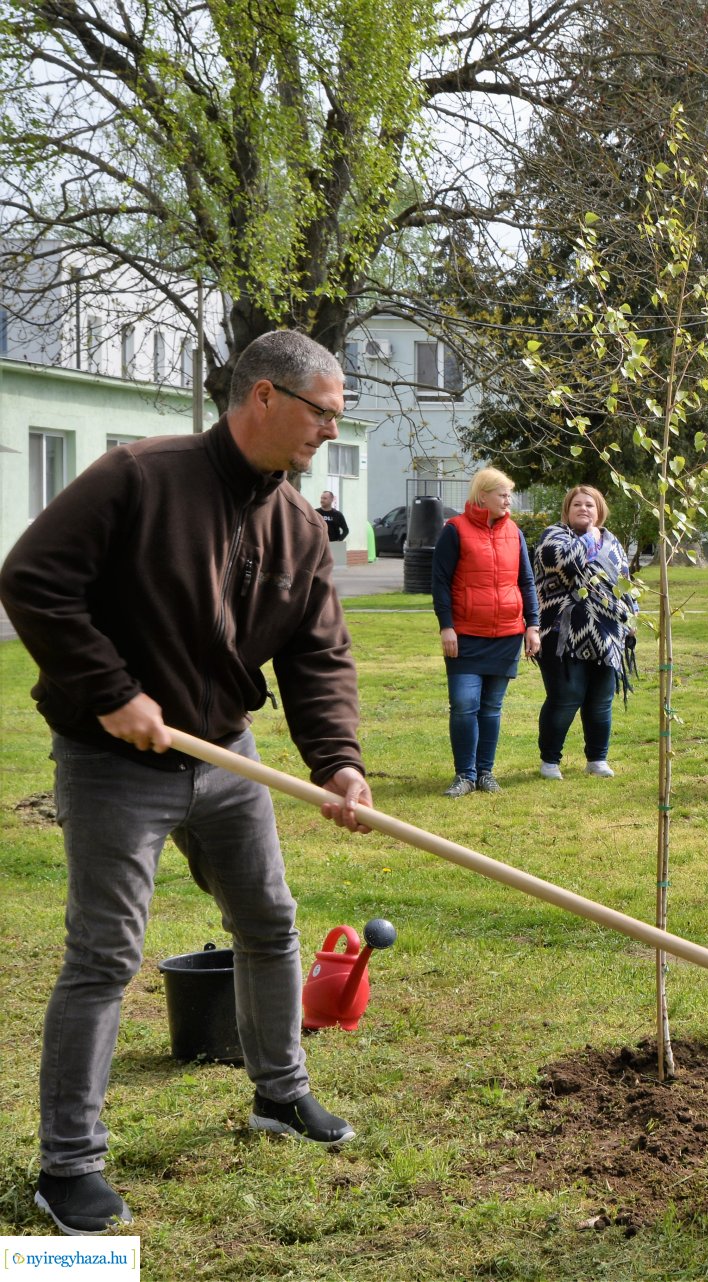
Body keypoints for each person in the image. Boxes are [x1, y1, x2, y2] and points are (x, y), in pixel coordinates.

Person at [0, 330, 374, 1236]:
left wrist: (340, 762)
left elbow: (318, 654)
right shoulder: (139, 476)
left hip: (227, 757)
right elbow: (33, 580)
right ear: (264, 398)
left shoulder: (295, 524)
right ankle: (68, 1165)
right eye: (322, 411)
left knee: (271, 923)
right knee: (104, 954)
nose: (330, 429)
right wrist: (111, 692)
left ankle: (280, 1095)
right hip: (113, 763)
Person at [433, 468, 540, 797]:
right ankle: (464, 774)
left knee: (492, 708)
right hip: (465, 634)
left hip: (507, 634)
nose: (508, 500)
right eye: (502, 494)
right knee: (464, 705)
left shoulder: (515, 533)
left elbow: (526, 581)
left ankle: (485, 773)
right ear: (482, 496)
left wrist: (532, 626)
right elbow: (440, 583)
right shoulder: (454, 531)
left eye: (509, 494)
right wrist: (447, 626)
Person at [533, 485, 636, 781]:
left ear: (599, 510)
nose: (584, 509)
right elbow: (563, 562)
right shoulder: (553, 537)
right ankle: (550, 761)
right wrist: (588, 539)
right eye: (577, 504)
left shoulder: (613, 542)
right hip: (562, 633)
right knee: (566, 695)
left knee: (601, 699)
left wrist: (632, 617)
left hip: (607, 633)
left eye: (590, 505)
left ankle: (597, 758)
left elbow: (625, 583)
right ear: (567, 510)